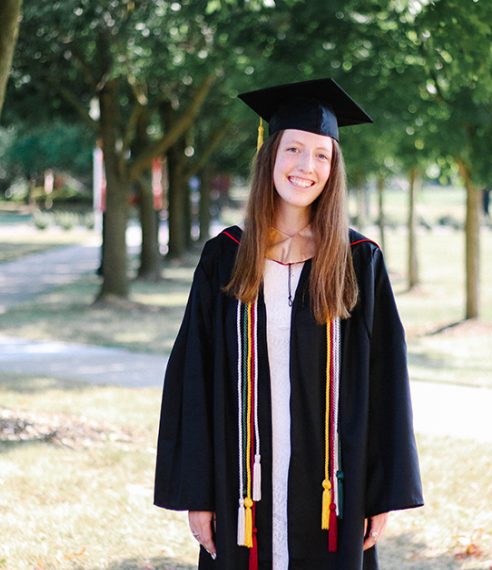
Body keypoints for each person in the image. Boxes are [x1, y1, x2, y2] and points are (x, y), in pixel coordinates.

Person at [154, 78, 423, 570]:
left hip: (335, 493)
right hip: (239, 488)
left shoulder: (359, 262)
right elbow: (193, 378)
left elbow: (388, 383)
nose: (306, 166)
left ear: (334, 169)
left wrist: (383, 493)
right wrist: (197, 493)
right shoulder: (226, 258)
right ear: (269, 156)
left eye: (322, 155)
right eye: (294, 149)